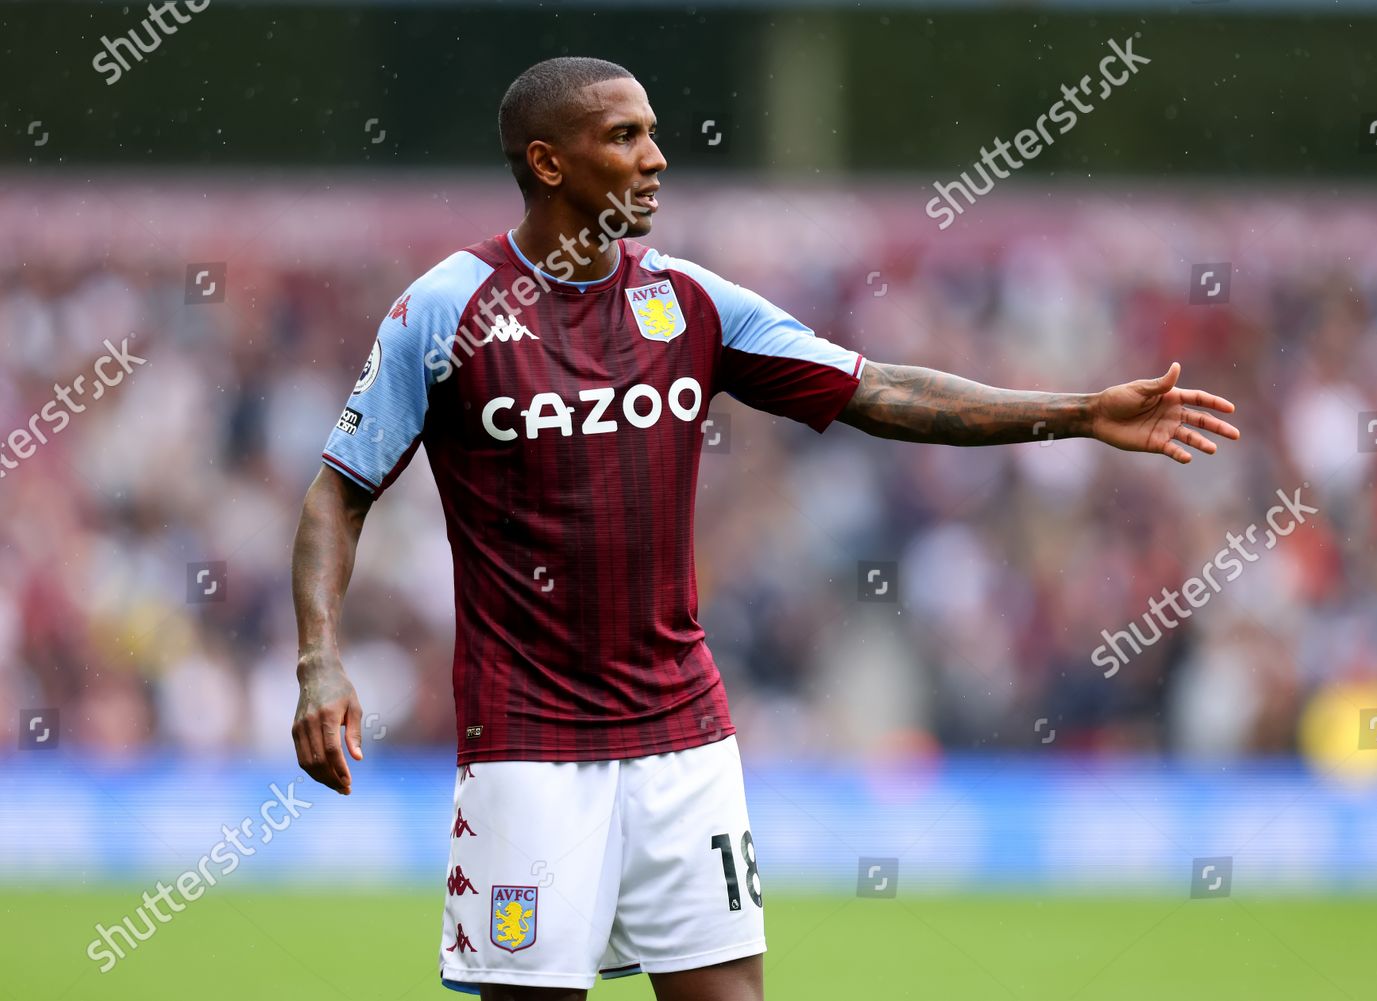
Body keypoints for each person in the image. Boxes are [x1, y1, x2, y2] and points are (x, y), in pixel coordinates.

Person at [290, 56, 1240, 1001]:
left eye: (654, 131)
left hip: (683, 736)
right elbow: (340, 491)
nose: (657, 157)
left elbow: (877, 387)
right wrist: (319, 660)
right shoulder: (443, 311)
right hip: (527, 746)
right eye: (625, 136)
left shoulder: (692, 303)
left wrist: (1077, 411)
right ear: (547, 162)